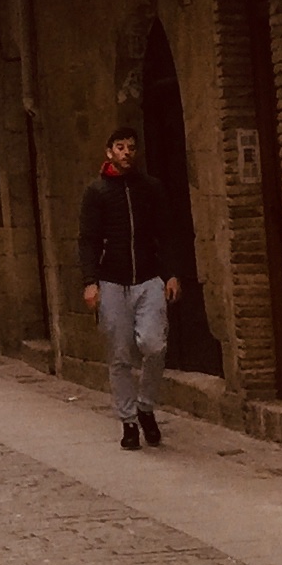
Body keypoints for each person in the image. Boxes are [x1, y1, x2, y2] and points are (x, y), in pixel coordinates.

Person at [77, 127, 181, 451]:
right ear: (109, 152)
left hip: (148, 279)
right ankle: (128, 422)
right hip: (111, 282)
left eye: (131, 148)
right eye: (120, 147)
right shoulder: (96, 192)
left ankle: (145, 406)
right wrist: (90, 282)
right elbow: (88, 240)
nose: (126, 152)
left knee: (154, 345)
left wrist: (171, 274)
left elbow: (166, 232)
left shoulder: (150, 188)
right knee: (120, 355)